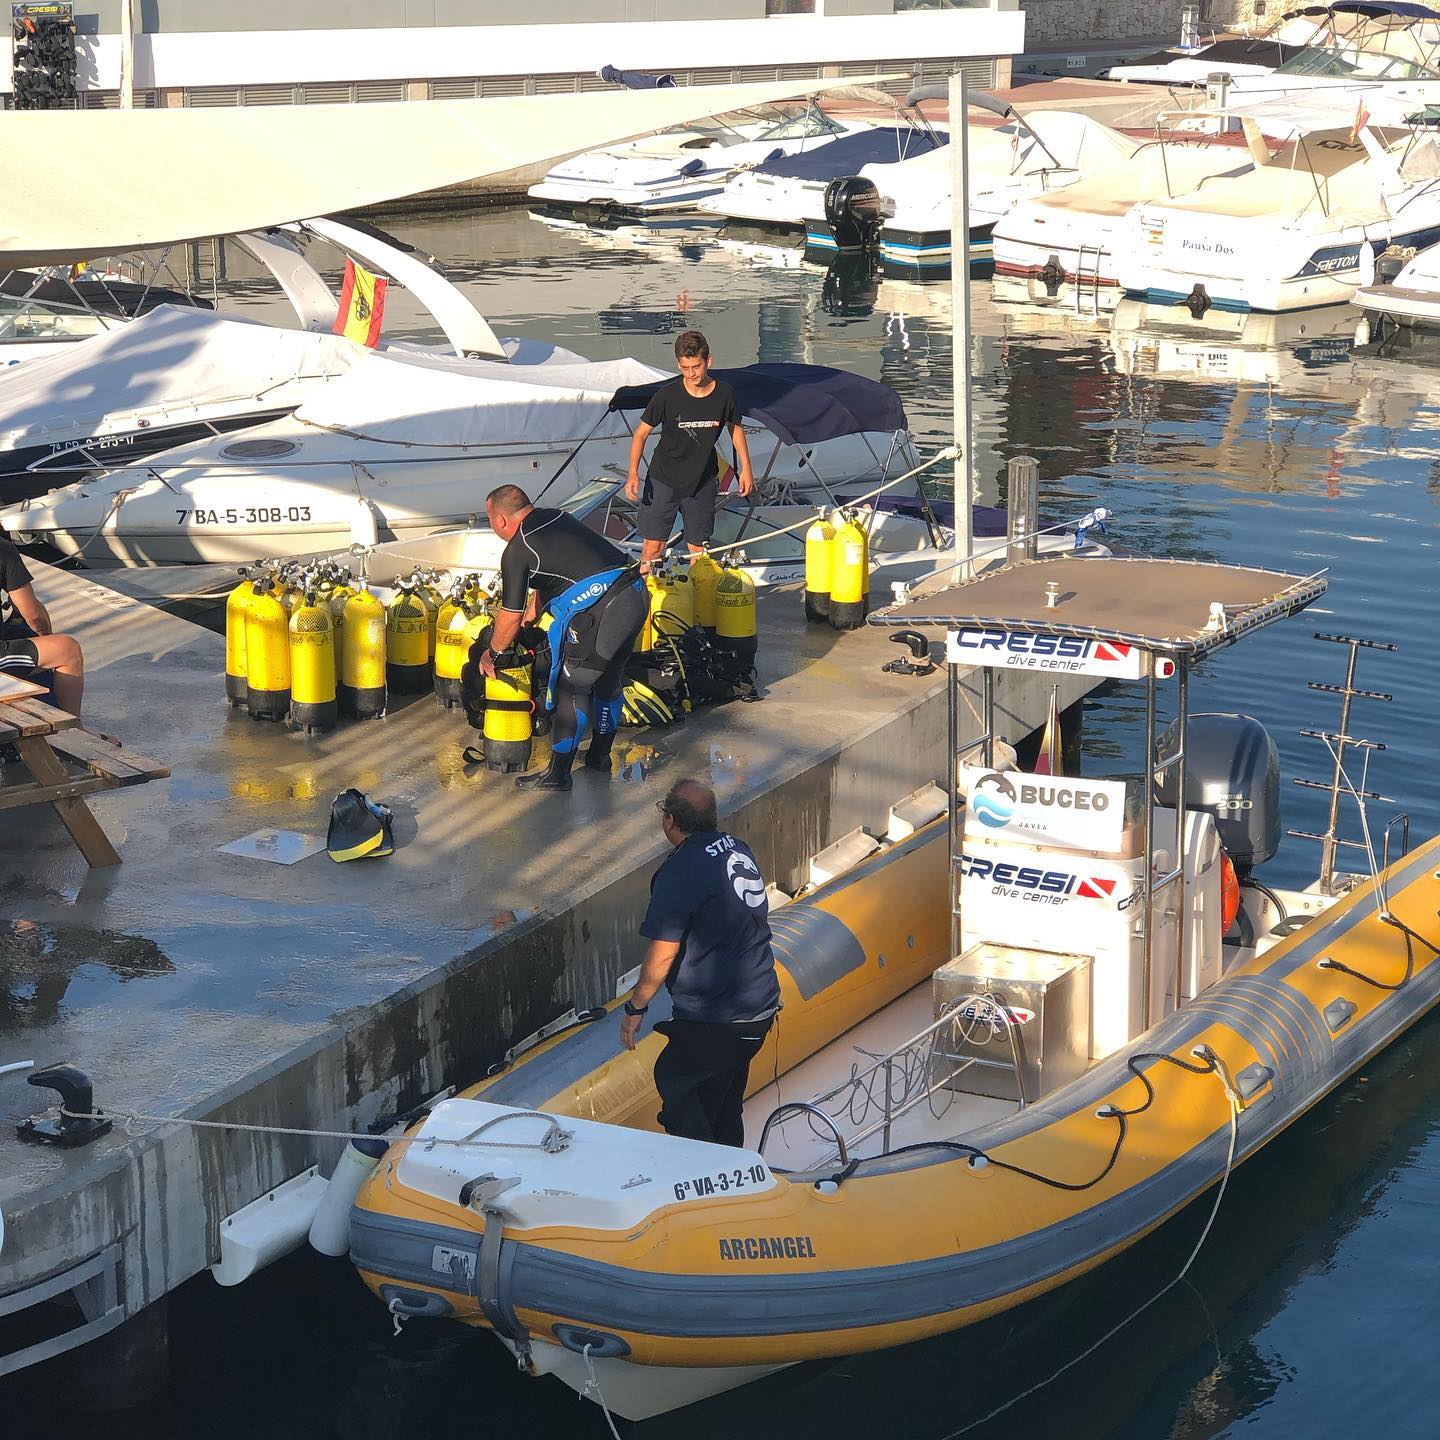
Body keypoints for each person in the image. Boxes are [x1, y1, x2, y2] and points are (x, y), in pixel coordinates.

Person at [621, 779, 780, 1148]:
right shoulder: (735, 848)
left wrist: (636, 1006)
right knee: (721, 1100)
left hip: (718, 1017)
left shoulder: (681, 870)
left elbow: (663, 951)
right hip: (760, 1005)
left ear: (670, 821)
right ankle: (731, 1171)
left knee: (675, 1079)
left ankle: (699, 1172)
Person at [481, 484, 648, 793]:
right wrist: (534, 614)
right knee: (609, 680)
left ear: (501, 520)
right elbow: (555, 577)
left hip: (603, 610)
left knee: (572, 687)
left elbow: (510, 614)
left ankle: (558, 775)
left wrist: (493, 651)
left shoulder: (517, 550)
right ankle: (599, 756)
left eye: (489, 519)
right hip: (634, 594)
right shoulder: (555, 517)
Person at [625, 330, 754, 573]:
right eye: (685, 368)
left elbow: (735, 430)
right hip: (664, 478)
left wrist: (746, 469)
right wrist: (633, 473)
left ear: (708, 361)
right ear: (679, 365)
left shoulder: (725, 394)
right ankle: (645, 604)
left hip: (702, 481)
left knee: (700, 550)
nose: (691, 373)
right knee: (653, 547)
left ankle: (698, 602)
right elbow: (640, 434)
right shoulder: (667, 396)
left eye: (696, 366)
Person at [0, 531, 85, 716]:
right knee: (67, 650)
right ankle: (72, 732)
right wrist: (46, 636)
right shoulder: (3, 549)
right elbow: (33, 615)